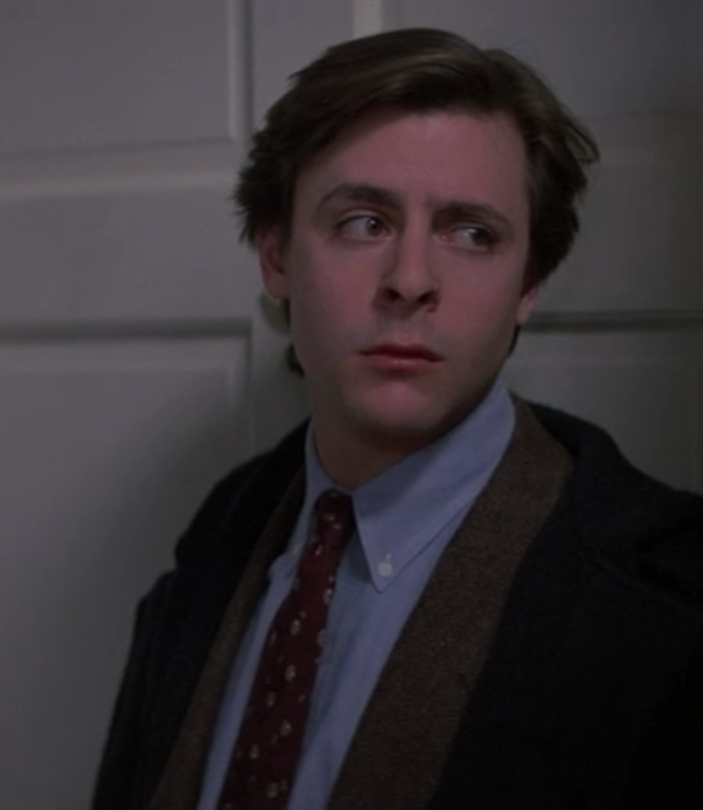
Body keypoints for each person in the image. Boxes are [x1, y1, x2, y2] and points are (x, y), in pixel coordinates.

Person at [94, 27, 703, 808]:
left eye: (472, 234)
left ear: (528, 283)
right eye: (363, 222)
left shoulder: (670, 604)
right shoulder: (221, 534)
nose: (411, 279)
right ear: (276, 256)